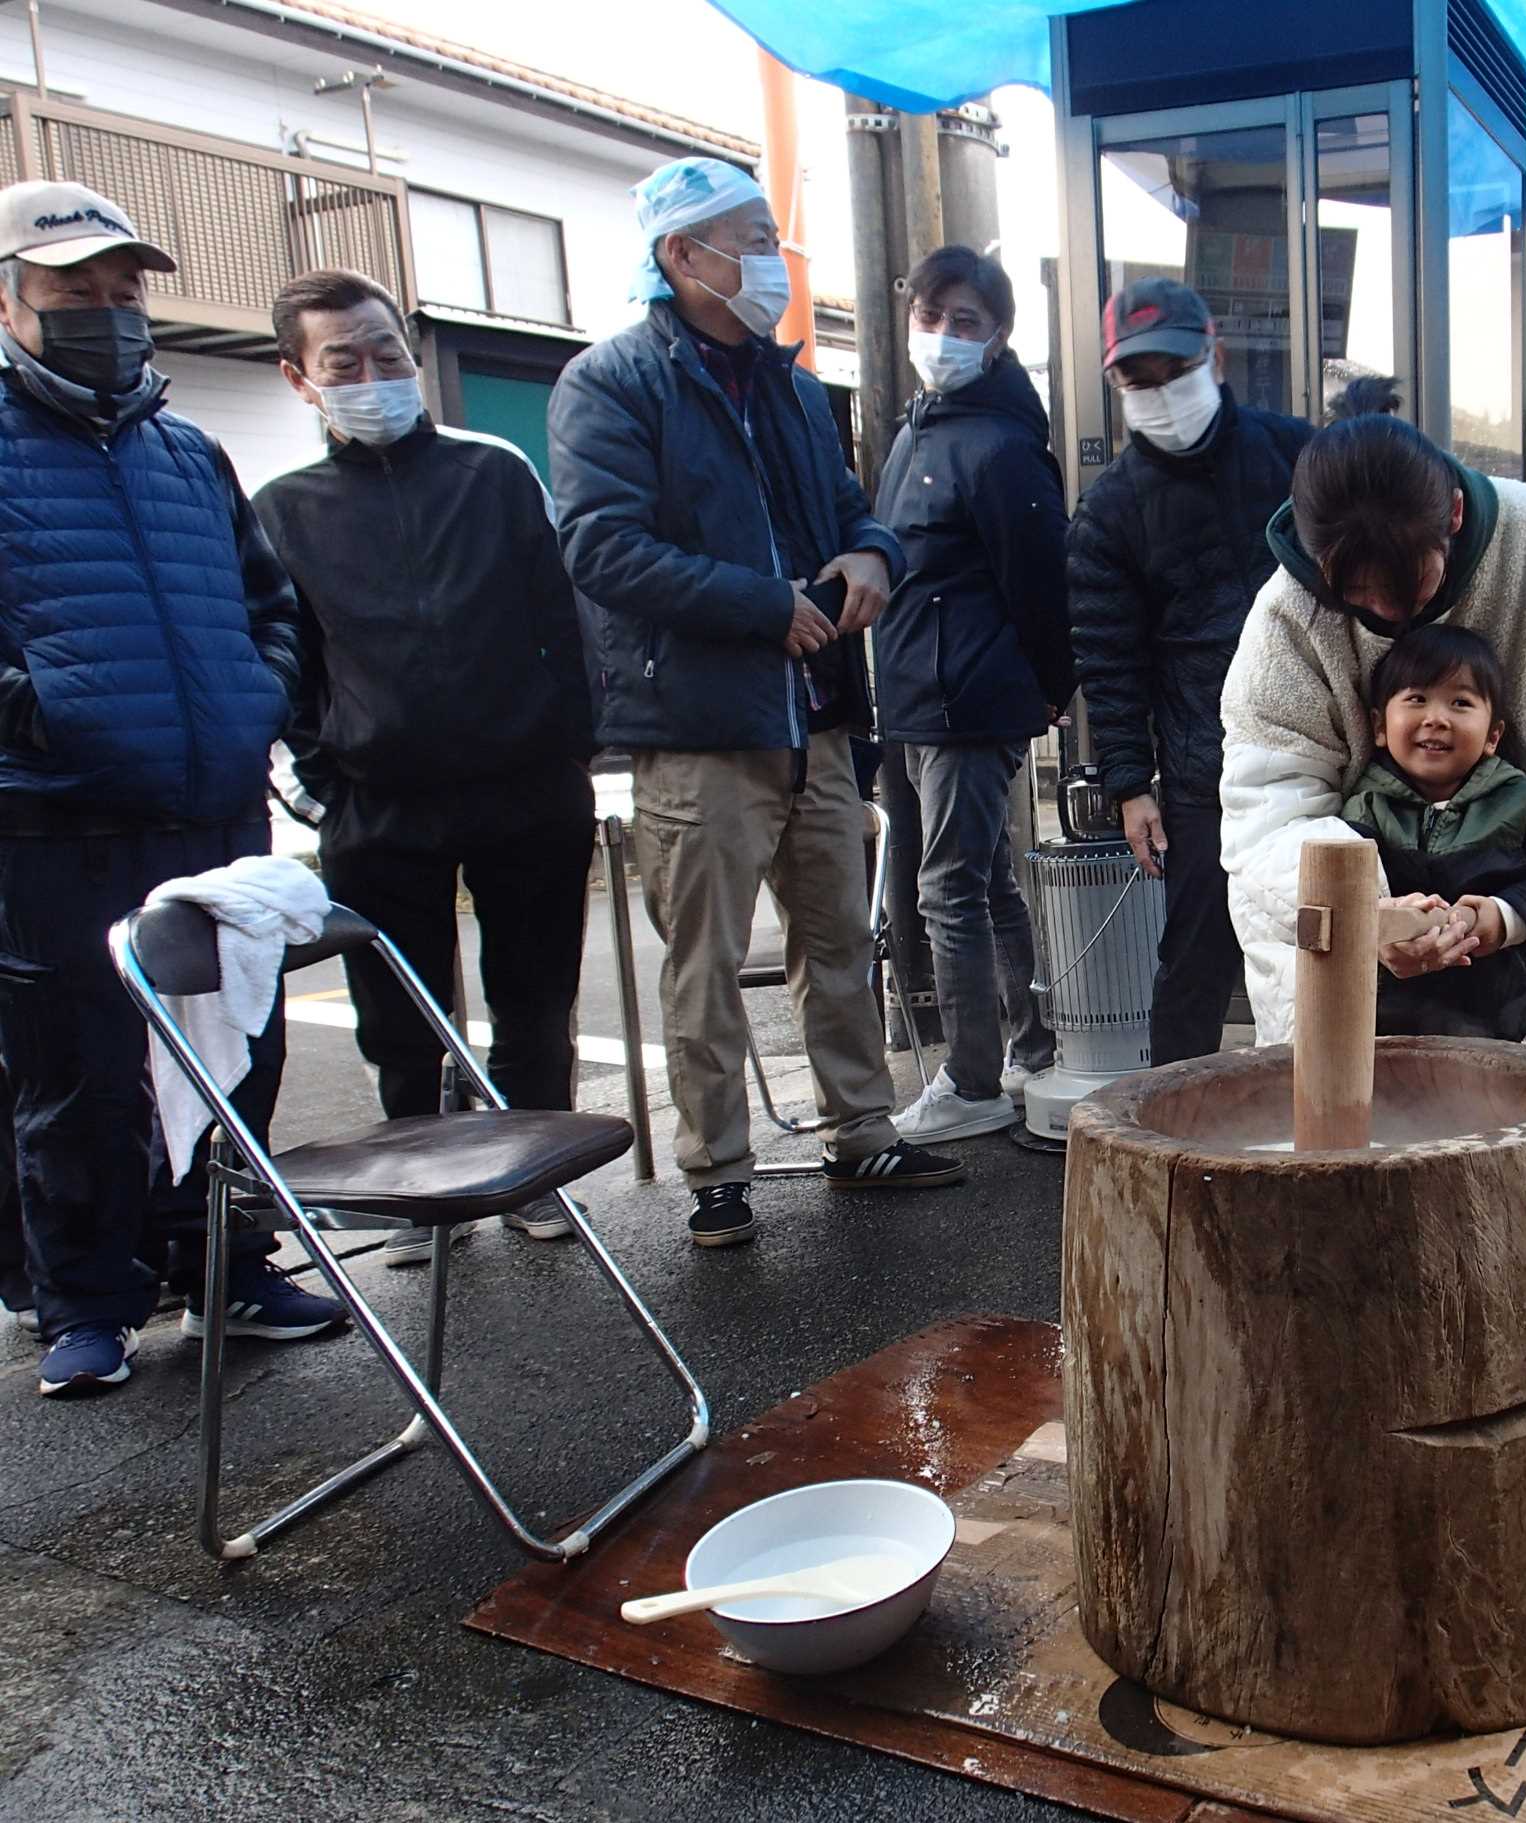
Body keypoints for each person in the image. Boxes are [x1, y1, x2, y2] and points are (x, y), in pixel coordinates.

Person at [549, 156, 962, 1250]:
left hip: (819, 714)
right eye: (744, 238)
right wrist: (755, 606)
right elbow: (597, 545)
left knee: (838, 942)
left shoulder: (785, 384)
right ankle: (717, 1173)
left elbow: (844, 510)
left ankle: (860, 1129)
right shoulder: (612, 382)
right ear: (676, 255)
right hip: (697, 727)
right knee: (708, 964)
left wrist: (873, 555)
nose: (767, 259)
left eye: (767, 234)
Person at [0, 181, 350, 1396]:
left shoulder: (189, 453)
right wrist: (47, 715)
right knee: (79, 1075)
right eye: (70, 292)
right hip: (57, 819)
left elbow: (271, 608)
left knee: (228, 1054)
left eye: (121, 291)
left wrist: (259, 696)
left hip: (213, 808)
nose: (105, 312)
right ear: (11, 301)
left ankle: (228, 1270)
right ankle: (86, 1306)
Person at [253, 269, 595, 1266]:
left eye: (388, 353)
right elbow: (284, 655)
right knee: (400, 1013)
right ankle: (421, 1191)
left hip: (526, 786)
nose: (374, 375)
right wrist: (319, 781)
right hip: (374, 800)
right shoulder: (282, 509)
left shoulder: (492, 473)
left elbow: (561, 623)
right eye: (343, 363)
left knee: (534, 997)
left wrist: (571, 746)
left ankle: (535, 1177)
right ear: (298, 379)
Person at [1220, 413, 1526, 1053]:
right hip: (1321, 925)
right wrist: (1369, 916)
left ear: (1454, 515)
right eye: (1359, 596)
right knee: (1333, 1127)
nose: (1389, 614)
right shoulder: (1286, 616)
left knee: (1508, 1132)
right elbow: (1268, 810)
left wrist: (1516, 908)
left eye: (1408, 586)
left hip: (1505, 927)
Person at [1068, 279, 1313, 1066]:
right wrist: (1131, 784)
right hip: (1204, 769)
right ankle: (1175, 1138)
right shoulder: (1108, 512)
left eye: (1174, 368)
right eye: (1135, 379)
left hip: (1327, 750)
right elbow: (1109, 658)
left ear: (1215, 352)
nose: (1158, 391)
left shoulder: (1298, 455)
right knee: (1196, 960)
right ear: (1114, 383)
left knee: (1339, 939)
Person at [872, 246, 1068, 1140]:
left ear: (997, 338)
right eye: (931, 317)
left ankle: (973, 1081)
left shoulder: (996, 445)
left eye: (966, 323)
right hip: (923, 696)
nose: (942, 336)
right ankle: (1031, 1049)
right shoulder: (921, 426)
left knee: (947, 889)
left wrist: (1051, 688)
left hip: (966, 701)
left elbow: (1040, 584)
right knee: (984, 884)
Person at [1341, 625, 1526, 1041]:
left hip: (1510, 1018)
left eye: (1460, 702)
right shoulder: (1363, 809)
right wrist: (1388, 915)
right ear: (1378, 726)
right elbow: (1345, 896)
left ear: (1493, 736)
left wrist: (1503, 917)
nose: (1436, 719)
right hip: (1388, 1022)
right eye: (1416, 698)